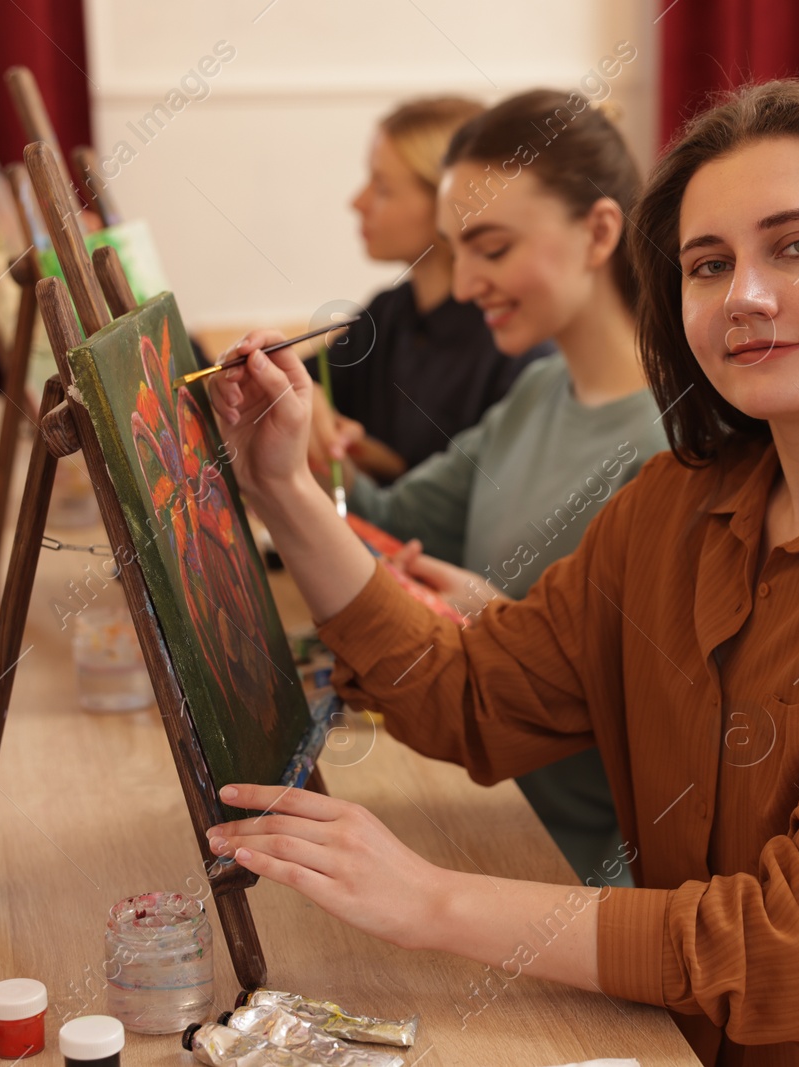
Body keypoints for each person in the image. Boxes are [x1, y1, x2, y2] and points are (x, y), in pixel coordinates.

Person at [206, 79, 799, 1065]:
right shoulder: (675, 502)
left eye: (798, 245)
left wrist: (431, 900)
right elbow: (472, 692)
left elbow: (791, 955)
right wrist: (282, 487)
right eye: (707, 264)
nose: (745, 296)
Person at [232, 90, 666, 886]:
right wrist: (287, 456)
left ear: (600, 231)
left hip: (586, 878)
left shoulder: (667, 454)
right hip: (506, 815)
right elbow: (391, 520)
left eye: (492, 249)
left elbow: (654, 711)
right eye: (456, 250)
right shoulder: (542, 395)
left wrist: (500, 621)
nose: (464, 286)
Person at [311, 96, 551, 478]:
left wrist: (379, 465)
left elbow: (476, 504)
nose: (357, 202)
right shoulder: (390, 311)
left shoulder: (512, 342)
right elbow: (310, 383)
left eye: (383, 187)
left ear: (448, 201)